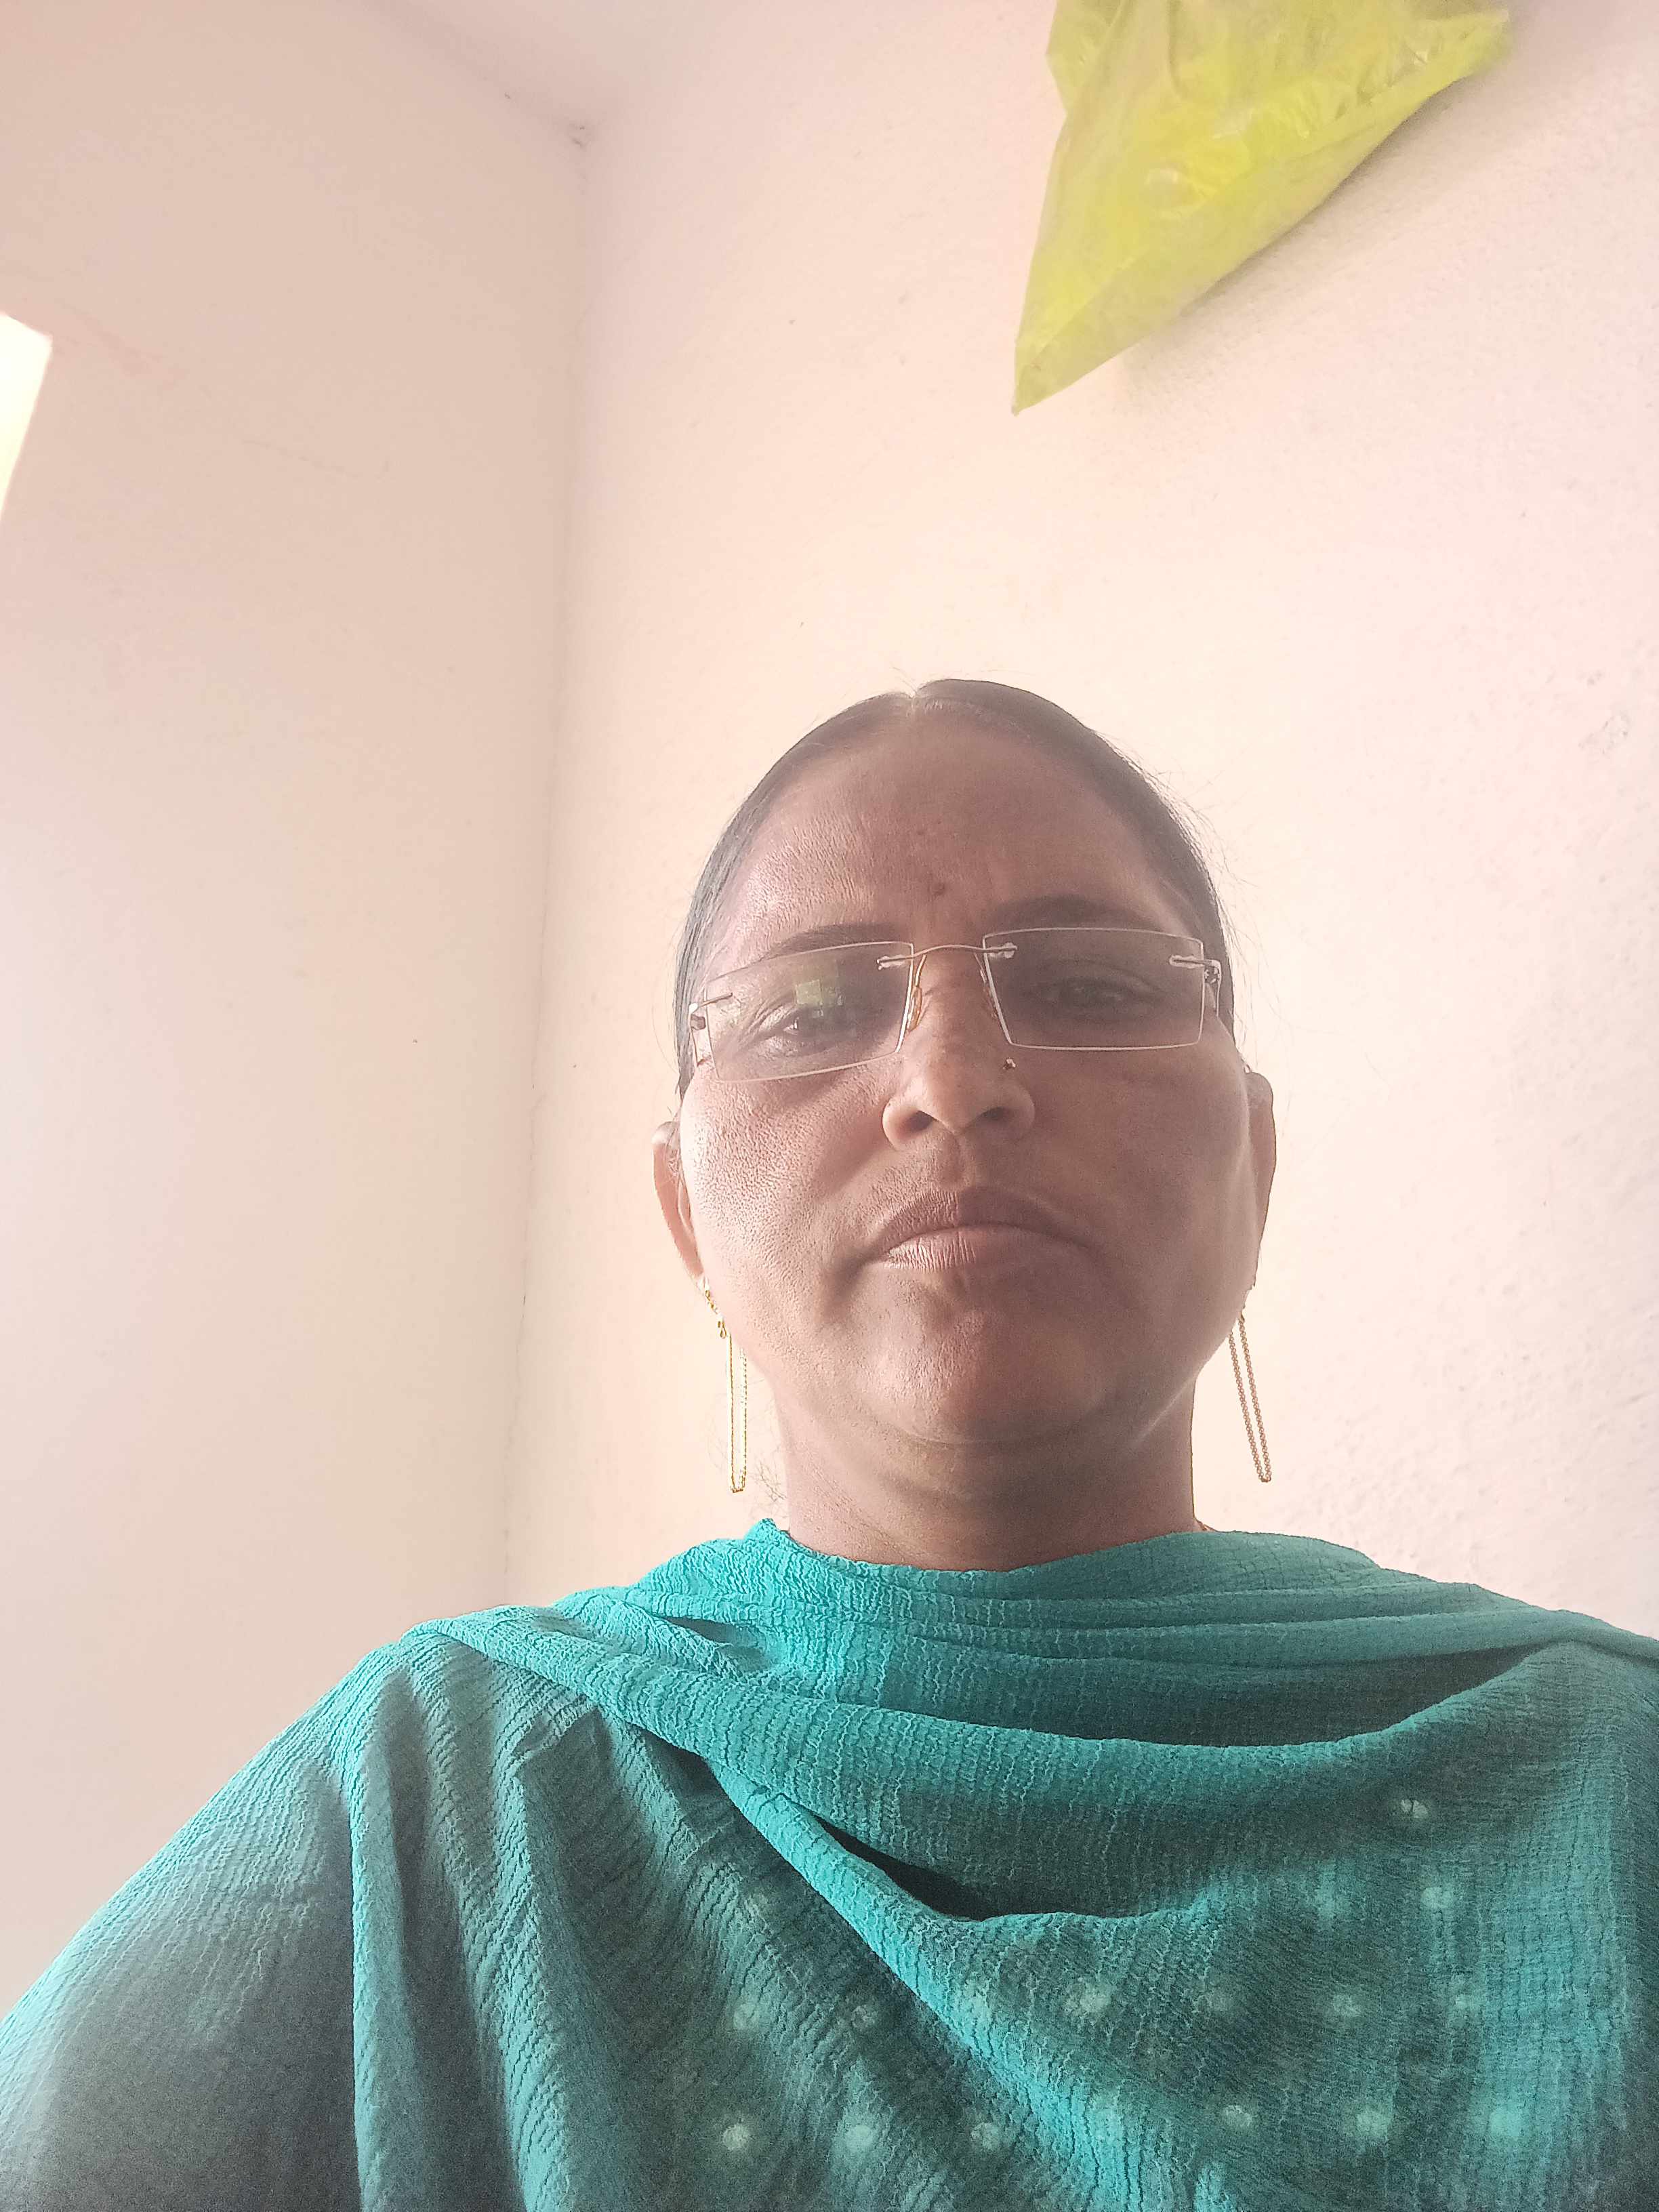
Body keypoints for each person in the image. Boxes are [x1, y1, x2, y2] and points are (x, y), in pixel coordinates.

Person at [2, 679, 1654, 2209]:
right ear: (687, 1215)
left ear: (1256, 1161)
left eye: (1088, 986)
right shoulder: (442, 1797)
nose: (954, 1080)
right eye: (808, 1008)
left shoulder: (1608, 1787)